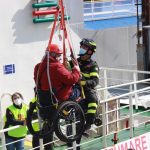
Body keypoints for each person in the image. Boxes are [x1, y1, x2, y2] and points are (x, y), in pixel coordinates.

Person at [33, 43, 81, 149]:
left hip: (44, 100)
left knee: (47, 127)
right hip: (59, 99)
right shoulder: (56, 67)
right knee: (78, 89)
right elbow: (71, 79)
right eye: (58, 55)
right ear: (53, 55)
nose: (59, 57)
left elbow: (38, 81)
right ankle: (71, 112)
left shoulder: (38, 66)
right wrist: (76, 70)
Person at [67, 38, 99, 150]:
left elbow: (95, 81)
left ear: (90, 51)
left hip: (86, 91)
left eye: (85, 47)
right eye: (82, 46)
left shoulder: (93, 65)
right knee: (70, 133)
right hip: (74, 90)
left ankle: (89, 122)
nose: (82, 49)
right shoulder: (74, 61)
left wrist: (83, 82)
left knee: (93, 100)